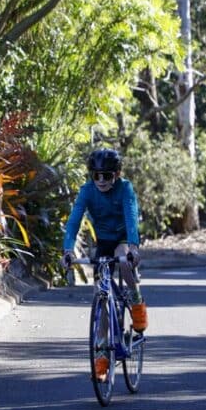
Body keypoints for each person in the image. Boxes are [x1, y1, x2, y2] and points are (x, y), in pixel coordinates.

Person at [62, 148, 147, 380]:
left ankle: (137, 302)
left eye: (106, 176)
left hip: (122, 239)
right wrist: (68, 250)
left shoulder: (125, 189)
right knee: (100, 296)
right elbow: (74, 221)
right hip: (103, 242)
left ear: (117, 174)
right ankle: (101, 358)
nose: (101, 181)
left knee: (125, 260)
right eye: (96, 175)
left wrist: (133, 246)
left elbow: (131, 215)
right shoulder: (87, 191)